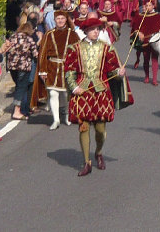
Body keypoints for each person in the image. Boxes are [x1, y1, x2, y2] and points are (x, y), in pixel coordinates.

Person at [64, 17, 132, 176]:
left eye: (98, 29)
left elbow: (113, 71)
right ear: (86, 31)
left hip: (101, 92)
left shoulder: (107, 49)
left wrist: (119, 73)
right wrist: (74, 88)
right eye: (93, 29)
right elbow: (69, 71)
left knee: (100, 129)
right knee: (84, 127)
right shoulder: (74, 49)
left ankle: (99, 152)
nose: (96, 32)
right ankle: (87, 162)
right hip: (82, 93)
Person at [33, 10, 80, 130]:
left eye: (62, 18)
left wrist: (76, 68)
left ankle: (67, 115)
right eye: (58, 19)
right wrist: (43, 70)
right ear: (54, 20)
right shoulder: (49, 34)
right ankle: (56, 119)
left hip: (67, 68)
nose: (60, 21)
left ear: (66, 20)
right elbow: (42, 53)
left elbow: (78, 53)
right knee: (53, 93)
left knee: (65, 94)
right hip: (52, 67)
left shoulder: (73, 34)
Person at [6, 22, 39, 120]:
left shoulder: (12, 37)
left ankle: (20, 109)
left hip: (12, 67)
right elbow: (35, 54)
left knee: (18, 86)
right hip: (23, 67)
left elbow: (7, 49)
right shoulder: (29, 39)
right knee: (21, 88)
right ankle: (17, 111)